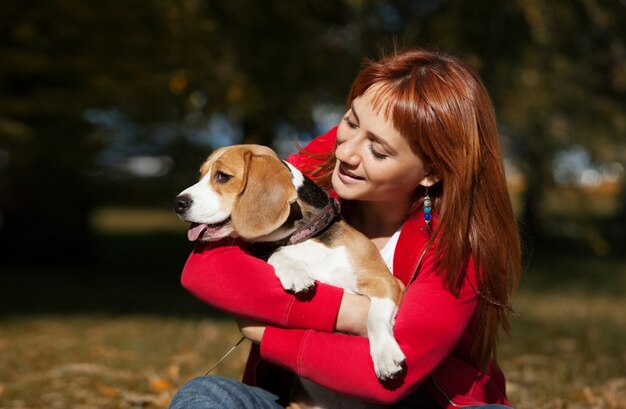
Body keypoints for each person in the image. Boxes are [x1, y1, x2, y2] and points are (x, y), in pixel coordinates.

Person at [169, 47, 521, 409]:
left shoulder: (460, 248)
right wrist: (349, 313)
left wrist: (266, 335)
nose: (347, 153)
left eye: (378, 151)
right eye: (350, 123)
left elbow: (384, 381)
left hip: (416, 403)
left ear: (431, 171)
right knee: (204, 396)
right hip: (305, 401)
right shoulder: (317, 170)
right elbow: (204, 270)